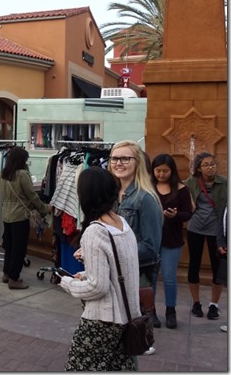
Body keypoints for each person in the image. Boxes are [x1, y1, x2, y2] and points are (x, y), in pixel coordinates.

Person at [60, 166, 140, 371]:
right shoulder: (122, 224)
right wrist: (87, 273)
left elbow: (98, 287)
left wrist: (67, 282)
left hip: (102, 322)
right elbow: (123, 269)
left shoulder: (95, 231)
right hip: (128, 317)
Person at [108, 140, 162, 355]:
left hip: (139, 271)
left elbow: (150, 247)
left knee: (135, 331)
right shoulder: (113, 194)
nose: (118, 163)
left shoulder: (145, 198)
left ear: (137, 162)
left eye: (125, 158)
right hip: (116, 270)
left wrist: (111, 251)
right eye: (114, 158)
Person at [150, 153, 194, 329]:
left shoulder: (181, 189)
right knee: (151, 277)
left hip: (172, 240)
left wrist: (176, 216)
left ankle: (170, 310)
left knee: (168, 277)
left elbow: (188, 213)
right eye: (158, 171)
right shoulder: (148, 187)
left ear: (172, 170)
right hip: (151, 239)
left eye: (165, 171)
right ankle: (150, 310)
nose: (161, 174)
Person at [0, 146, 50, 290]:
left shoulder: (4, 174)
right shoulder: (22, 175)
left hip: (6, 214)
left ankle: (6, 273)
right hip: (20, 215)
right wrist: (44, 208)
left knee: (9, 246)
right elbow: (32, 196)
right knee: (18, 248)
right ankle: (14, 278)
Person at [184, 152, 228, 321]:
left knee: (218, 268)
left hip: (216, 231)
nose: (210, 167)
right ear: (199, 168)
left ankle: (213, 305)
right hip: (195, 228)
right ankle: (196, 303)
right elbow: (178, 188)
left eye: (212, 164)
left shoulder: (225, 183)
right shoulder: (192, 182)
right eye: (206, 165)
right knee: (193, 264)